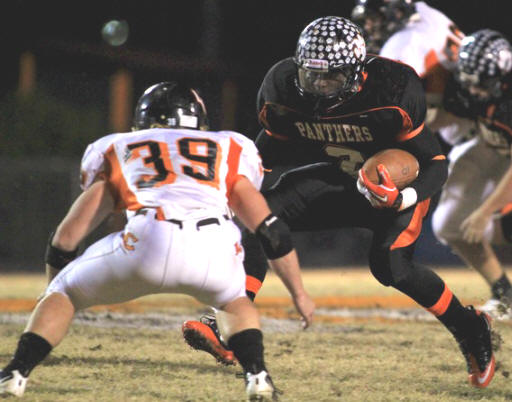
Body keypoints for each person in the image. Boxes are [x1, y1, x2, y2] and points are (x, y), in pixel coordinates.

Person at [183, 16, 497, 388]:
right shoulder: (282, 87)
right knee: (255, 219)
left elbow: (434, 164)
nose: (318, 85)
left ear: (356, 72)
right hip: (339, 178)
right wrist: (230, 194)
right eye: (310, 74)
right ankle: (226, 325)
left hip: (389, 189)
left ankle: (471, 327)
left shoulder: (393, 89)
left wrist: (403, 198)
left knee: (391, 266)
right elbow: (260, 153)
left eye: (330, 76)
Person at [0, 82, 315, 400]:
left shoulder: (123, 148)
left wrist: (57, 294)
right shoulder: (229, 148)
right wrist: (299, 294)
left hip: (147, 240)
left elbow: (66, 237)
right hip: (212, 247)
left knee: (62, 292)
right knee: (234, 300)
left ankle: (15, 373)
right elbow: (271, 230)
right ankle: (257, 376)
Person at [351, 0, 512, 316]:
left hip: (483, 132)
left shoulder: (405, 42)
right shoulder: (429, 16)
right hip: (474, 132)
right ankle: (506, 291)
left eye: (377, 18)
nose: (371, 27)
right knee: (455, 223)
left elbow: (393, 104)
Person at [431, 29, 512, 319]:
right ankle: (506, 293)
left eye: (481, 85)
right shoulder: (466, 78)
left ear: (501, 79)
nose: (472, 90)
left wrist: (485, 211)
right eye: (468, 81)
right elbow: (452, 113)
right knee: (448, 224)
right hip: (492, 142)